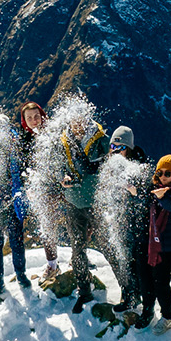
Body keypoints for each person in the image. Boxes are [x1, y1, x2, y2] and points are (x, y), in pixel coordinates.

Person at [57, 114, 109, 313]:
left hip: (96, 202)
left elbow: (111, 164)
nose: (77, 124)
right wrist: (62, 176)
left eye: (81, 120)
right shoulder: (62, 141)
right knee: (77, 248)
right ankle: (84, 291)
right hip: (73, 202)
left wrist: (94, 168)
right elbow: (56, 166)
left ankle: (129, 291)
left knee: (108, 246)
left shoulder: (101, 138)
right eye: (73, 120)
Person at [138, 154, 171, 340]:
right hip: (160, 247)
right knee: (160, 283)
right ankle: (168, 316)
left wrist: (162, 198)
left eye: (168, 174)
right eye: (159, 173)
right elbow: (143, 205)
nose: (163, 177)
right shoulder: (154, 191)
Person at [14, 101, 60, 282]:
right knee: (47, 227)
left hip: (61, 186)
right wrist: (30, 188)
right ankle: (52, 265)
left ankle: (78, 258)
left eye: (36, 116)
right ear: (24, 120)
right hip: (42, 189)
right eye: (29, 118)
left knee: (76, 223)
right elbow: (23, 168)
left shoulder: (53, 135)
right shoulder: (23, 141)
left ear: (42, 116)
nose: (34, 120)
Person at [0, 116, 31, 299]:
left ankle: (20, 273)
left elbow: (23, 167)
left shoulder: (15, 143)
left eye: (2, 128)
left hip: (12, 200)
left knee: (16, 240)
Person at [107, 125, 149, 313]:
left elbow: (149, 195)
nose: (116, 151)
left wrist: (135, 192)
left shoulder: (140, 166)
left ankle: (139, 298)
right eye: (113, 147)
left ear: (129, 147)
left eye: (120, 147)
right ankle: (129, 295)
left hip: (137, 223)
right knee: (123, 258)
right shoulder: (112, 164)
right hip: (120, 220)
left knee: (136, 261)